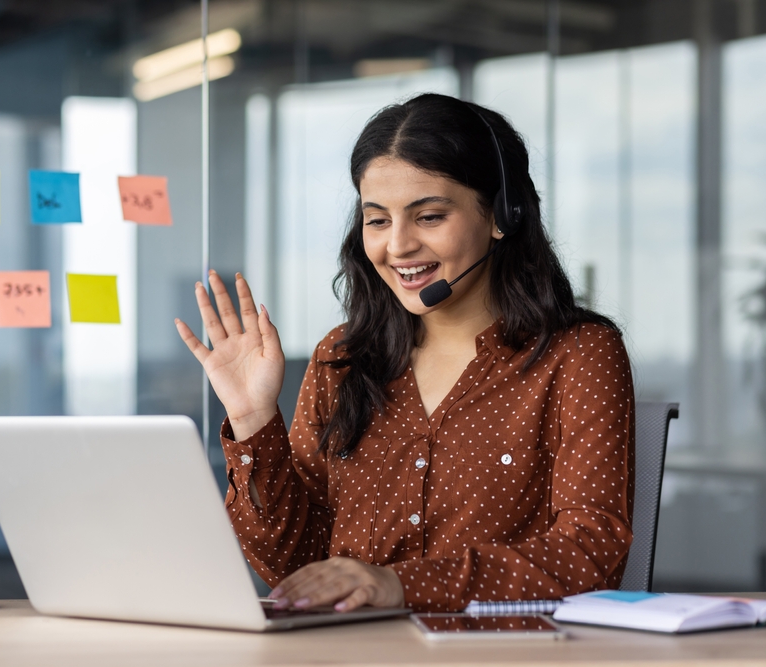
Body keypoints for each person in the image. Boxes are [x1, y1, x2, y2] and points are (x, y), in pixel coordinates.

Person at [175, 93, 634, 613]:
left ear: (501, 215)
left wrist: (401, 585)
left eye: (429, 216)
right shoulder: (342, 358)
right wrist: (254, 420)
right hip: (354, 651)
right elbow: (296, 567)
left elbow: (590, 553)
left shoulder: (578, 354)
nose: (397, 246)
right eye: (377, 220)